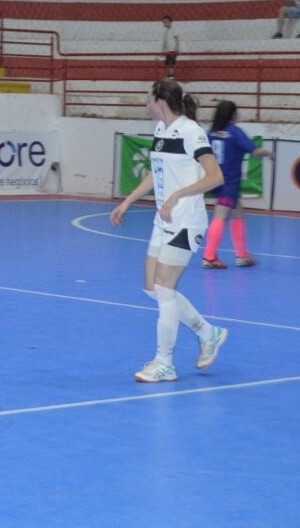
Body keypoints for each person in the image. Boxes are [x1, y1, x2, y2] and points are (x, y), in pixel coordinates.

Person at [109, 78, 227, 383]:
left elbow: (215, 176)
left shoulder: (191, 131)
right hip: (163, 221)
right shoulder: (161, 131)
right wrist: (128, 201)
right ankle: (207, 332)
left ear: (161, 101)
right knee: (152, 287)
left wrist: (178, 194)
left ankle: (165, 363)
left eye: (148, 99)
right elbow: (156, 171)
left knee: (163, 288)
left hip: (186, 220)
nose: (145, 104)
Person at [202, 101, 273, 269]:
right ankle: (209, 257)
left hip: (216, 179)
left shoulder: (211, 133)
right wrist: (269, 153)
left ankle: (242, 255)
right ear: (233, 114)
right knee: (220, 216)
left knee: (239, 214)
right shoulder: (235, 132)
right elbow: (254, 151)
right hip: (229, 182)